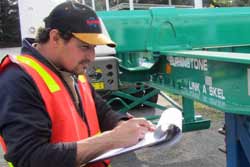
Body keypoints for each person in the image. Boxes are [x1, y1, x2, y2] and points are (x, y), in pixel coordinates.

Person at [0, 2, 155, 167]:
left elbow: (101, 112)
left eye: (93, 47)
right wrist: (112, 139)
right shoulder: (17, 78)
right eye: (84, 47)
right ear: (55, 38)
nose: (91, 56)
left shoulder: (72, 70)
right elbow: (30, 157)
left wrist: (124, 124)